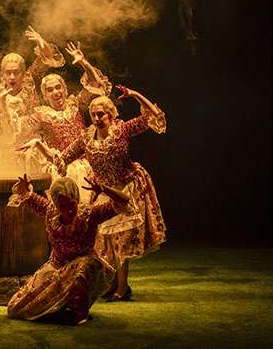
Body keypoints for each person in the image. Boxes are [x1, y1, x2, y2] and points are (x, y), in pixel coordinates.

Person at [18, 86, 166, 301]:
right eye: (94, 115)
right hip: (102, 192)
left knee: (120, 240)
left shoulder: (121, 130)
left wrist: (135, 95)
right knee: (105, 242)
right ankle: (113, 284)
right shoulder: (86, 138)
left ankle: (122, 288)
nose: (97, 118)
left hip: (126, 188)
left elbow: (152, 116)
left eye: (101, 114)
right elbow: (61, 159)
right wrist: (38, 144)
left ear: (111, 115)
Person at [6, 175, 129, 324]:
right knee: (16, 308)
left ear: (77, 200)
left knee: (85, 266)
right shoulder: (50, 211)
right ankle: (58, 309)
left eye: (72, 205)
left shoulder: (89, 215)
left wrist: (105, 189)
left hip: (82, 269)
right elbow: (25, 195)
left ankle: (78, 313)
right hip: (57, 267)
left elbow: (124, 201)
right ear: (56, 205)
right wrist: (23, 188)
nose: (69, 211)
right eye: (63, 207)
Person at [20, 41, 111, 186]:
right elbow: (21, 131)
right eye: (50, 90)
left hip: (87, 165)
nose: (55, 92)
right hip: (63, 169)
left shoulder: (76, 105)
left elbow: (96, 83)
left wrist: (83, 62)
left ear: (65, 90)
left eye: (58, 87)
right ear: (45, 96)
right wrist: (26, 120)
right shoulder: (41, 114)